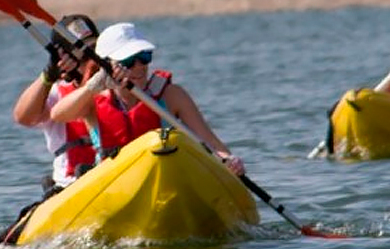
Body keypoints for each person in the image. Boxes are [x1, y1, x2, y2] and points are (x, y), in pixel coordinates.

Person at [49, 22, 246, 177]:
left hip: (166, 176)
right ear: (107, 64)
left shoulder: (172, 95)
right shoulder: (94, 100)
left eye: (144, 57)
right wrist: (93, 85)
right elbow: (58, 115)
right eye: (128, 61)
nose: (139, 67)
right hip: (115, 182)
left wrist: (230, 160)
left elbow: (212, 143)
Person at [11, 14, 102, 194]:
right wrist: (47, 76)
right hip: (71, 185)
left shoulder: (118, 83)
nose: (92, 60)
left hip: (115, 174)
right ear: (66, 60)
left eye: (94, 49)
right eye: (84, 54)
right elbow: (23, 117)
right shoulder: (57, 94)